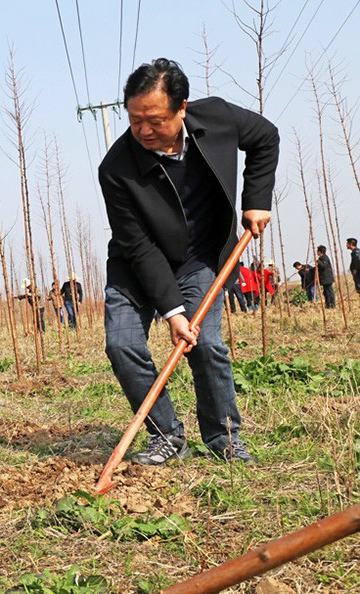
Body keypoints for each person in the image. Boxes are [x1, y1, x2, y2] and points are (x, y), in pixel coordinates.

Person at [99, 58, 278, 466]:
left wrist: (256, 201)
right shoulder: (115, 169)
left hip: (198, 258)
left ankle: (225, 439)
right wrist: (172, 311)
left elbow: (266, 137)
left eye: (155, 120)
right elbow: (139, 246)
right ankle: (167, 436)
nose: (143, 130)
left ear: (182, 108)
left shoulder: (216, 118)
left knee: (207, 344)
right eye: (134, 119)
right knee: (121, 344)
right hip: (134, 264)